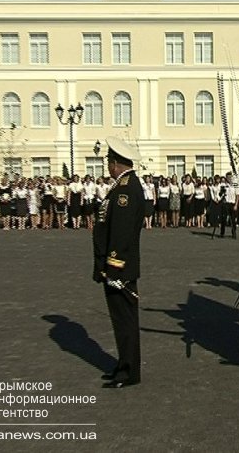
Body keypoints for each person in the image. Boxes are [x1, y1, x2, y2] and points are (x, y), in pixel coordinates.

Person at [93, 136, 145, 388]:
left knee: (124, 320)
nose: (107, 165)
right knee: (121, 319)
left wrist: (113, 267)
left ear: (115, 163)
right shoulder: (123, 185)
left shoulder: (125, 189)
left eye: (108, 161)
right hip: (118, 266)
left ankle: (128, 371)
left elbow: (122, 233)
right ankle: (124, 364)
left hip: (119, 268)